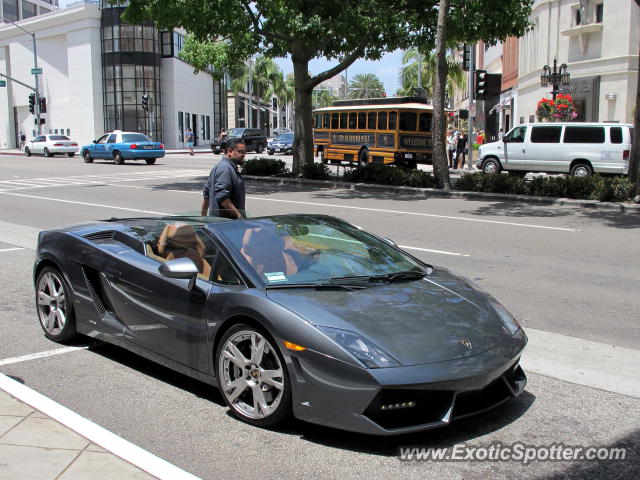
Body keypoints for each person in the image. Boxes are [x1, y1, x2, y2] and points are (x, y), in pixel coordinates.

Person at [201, 138, 246, 219]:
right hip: (226, 224)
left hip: (220, 223)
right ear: (230, 151)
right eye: (240, 152)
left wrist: (203, 217)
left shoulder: (222, 167)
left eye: (244, 152)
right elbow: (222, 196)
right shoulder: (225, 169)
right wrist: (239, 216)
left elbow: (206, 193)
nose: (243, 155)